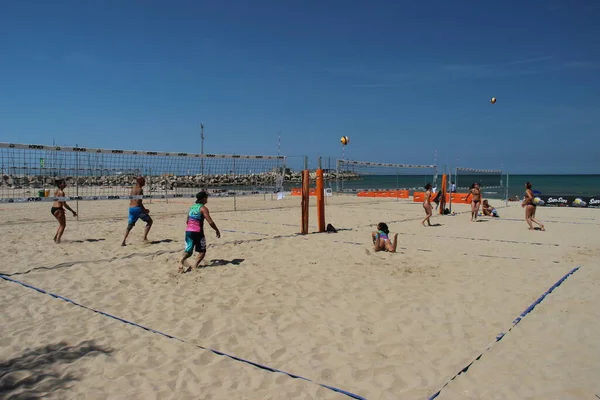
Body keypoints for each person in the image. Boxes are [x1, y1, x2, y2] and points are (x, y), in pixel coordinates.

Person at [179, 191, 221, 273]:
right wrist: (216, 230)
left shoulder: (192, 207)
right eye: (206, 198)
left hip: (188, 231)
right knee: (202, 251)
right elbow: (210, 222)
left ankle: (181, 260)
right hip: (198, 232)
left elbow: (187, 221)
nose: (207, 199)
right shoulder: (203, 208)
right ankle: (194, 266)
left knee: (188, 251)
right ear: (204, 198)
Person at [121, 176, 153, 246]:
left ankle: (123, 241)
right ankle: (144, 238)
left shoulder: (133, 189)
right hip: (137, 209)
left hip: (131, 208)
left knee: (130, 225)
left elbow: (133, 199)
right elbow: (138, 202)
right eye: (143, 181)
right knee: (150, 221)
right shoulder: (140, 190)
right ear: (140, 182)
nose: (145, 183)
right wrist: (145, 210)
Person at [51, 179, 77, 243]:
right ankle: (58, 240)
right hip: (58, 209)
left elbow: (58, 201)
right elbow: (64, 204)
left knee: (61, 225)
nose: (65, 184)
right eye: (63, 183)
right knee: (63, 225)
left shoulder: (56, 191)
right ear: (60, 185)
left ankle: (55, 238)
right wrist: (72, 211)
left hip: (53, 209)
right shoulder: (61, 193)